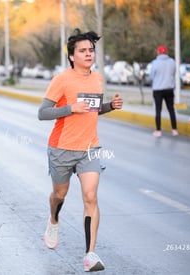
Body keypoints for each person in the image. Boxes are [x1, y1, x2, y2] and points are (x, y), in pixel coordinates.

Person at [38, 29, 123, 272]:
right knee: (59, 195)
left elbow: (92, 110)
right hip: (61, 148)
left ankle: (90, 255)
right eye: (82, 51)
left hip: (90, 147)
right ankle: (53, 219)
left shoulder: (97, 79)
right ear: (72, 56)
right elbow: (42, 113)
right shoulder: (62, 79)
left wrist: (110, 106)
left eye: (91, 50)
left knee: (90, 196)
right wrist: (70, 108)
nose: (88, 54)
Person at [149, 45, 178, 137]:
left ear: (158, 52)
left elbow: (151, 76)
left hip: (158, 89)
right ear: (166, 52)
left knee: (158, 110)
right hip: (169, 89)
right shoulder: (172, 62)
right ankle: (174, 130)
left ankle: (158, 130)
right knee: (171, 110)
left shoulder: (155, 63)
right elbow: (174, 73)